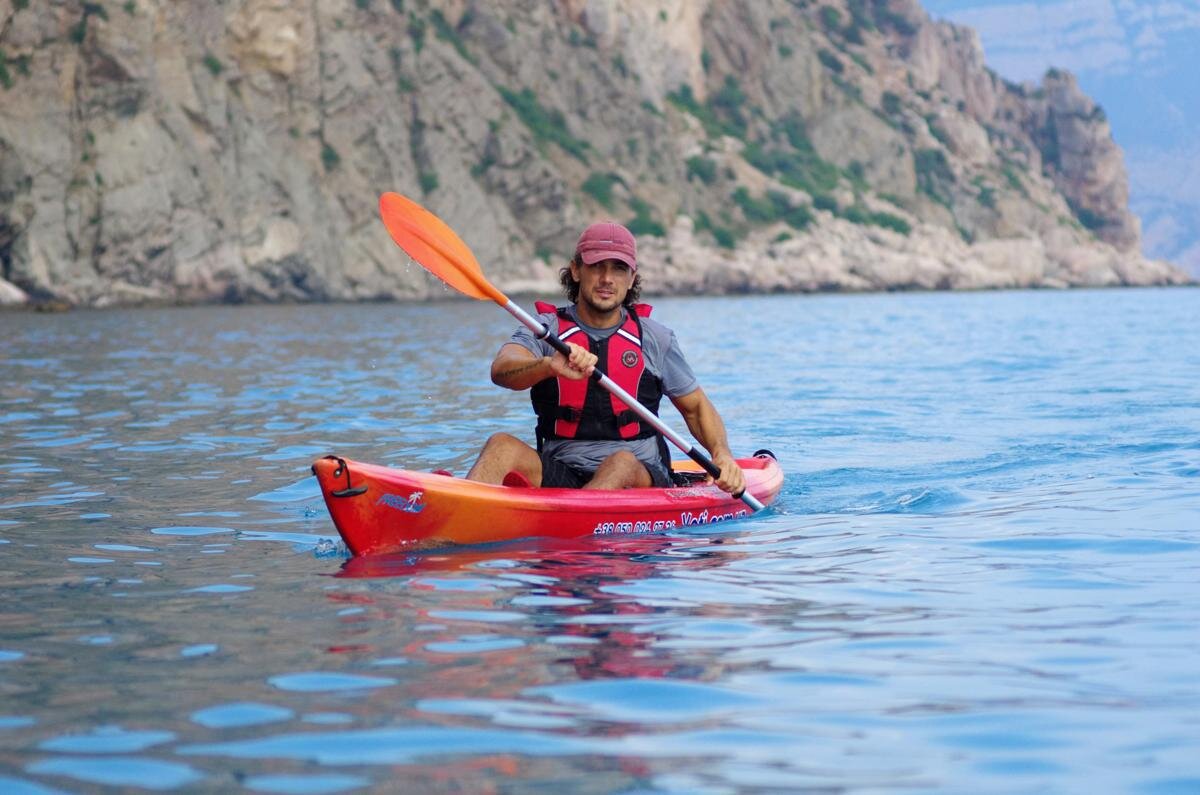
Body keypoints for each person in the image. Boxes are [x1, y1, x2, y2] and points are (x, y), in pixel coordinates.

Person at [465, 221, 746, 495]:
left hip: (639, 473)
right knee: (501, 445)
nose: (607, 279)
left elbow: (696, 407)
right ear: (576, 270)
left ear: (632, 278)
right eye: (597, 266)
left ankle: (575, 527)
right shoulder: (546, 330)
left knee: (619, 462)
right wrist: (547, 366)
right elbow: (501, 370)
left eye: (619, 269)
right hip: (561, 468)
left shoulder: (655, 338)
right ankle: (453, 517)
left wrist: (721, 454)